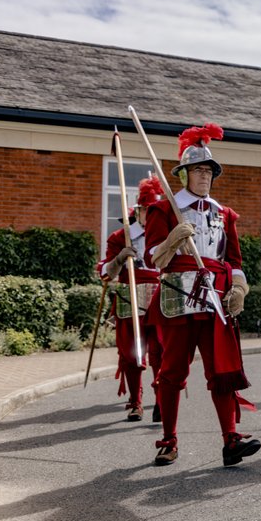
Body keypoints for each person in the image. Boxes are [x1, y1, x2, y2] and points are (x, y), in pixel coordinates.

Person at [144, 123, 259, 467]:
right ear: (184, 175)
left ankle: (231, 440)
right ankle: (168, 440)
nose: (205, 176)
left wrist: (238, 288)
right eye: (198, 170)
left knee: (221, 371)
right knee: (172, 373)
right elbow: (153, 258)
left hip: (216, 297)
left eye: (209, 170)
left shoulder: (225, 214)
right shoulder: (165, 210)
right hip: (178, 296)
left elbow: (234, 260)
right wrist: (172, 240)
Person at [98, 177, 164, 422]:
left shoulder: (165, 235)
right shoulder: (121, 236)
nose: (152, 214)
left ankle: (161, 400)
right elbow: (106, 273)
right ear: (138, 211)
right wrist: (118, 259)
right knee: (132, 354)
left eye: (156, 210)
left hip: (159, 299)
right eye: (148, 210)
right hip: (130, 299)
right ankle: (136, 401)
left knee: (160, 352)